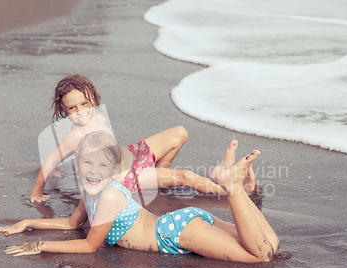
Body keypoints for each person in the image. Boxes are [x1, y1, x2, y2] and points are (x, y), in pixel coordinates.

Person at [0, 131, 279, 263]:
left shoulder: (108, 196)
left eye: (102, 166)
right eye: (87, 164)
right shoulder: (89, 192)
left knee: (262, 256)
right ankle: (233, 184)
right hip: (181, 224)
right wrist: (28, 222)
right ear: (77, 165)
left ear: (114, 169)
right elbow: (72, 223)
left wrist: (40, 246)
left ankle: (232, 187)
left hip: (176, 234)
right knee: (270, 244)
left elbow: (89, 245)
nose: (93, 172)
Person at [30, 74, 250, 203]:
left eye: (84, 103)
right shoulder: (75, 134)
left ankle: (159, 181)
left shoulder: (98, 117)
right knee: (186, 176)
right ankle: (232, 191)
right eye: (72, 108)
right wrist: (37, 191)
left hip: (131, 155)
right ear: (64, 111)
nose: (80, 111)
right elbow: (50, 160)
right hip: (125, 177)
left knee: (180, 133)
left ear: (93, 99)